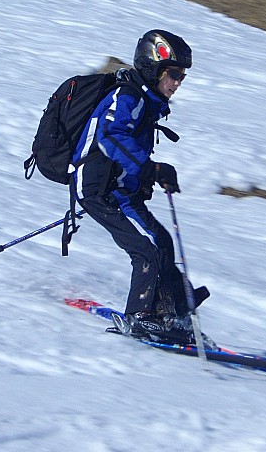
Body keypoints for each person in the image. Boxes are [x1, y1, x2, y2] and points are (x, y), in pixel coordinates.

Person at [71, 29, 209, 344]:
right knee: (146, 250)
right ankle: (141, 318)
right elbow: (111, 136)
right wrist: (150, 168)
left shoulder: (146, 103)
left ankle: (173, 311)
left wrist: (149, 176)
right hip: (98, 190)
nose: (177, 83)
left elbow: (128, 152)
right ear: (152, 66)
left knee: (161, 241)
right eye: (174, 74)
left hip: (119, 190)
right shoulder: (128, 97)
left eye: (181, 77)